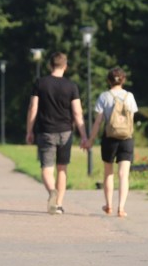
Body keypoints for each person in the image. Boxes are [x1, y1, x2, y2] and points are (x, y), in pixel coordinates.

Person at [25, 52, 88, 214]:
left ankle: (52, 191)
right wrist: (84, 135)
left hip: (46, 131)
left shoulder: (40, 83)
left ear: (49, 65)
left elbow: (33, 108)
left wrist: (29, 131)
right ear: (65, 66)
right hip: (66, 132)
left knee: (46, 168)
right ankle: (58, 205)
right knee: (62, 169)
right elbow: (77, 113)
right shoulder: (71, 86)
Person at [85, 67, 138, 217]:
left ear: (108, 80)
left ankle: (109, 205)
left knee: (108, 173)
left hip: (109, 139)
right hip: (126, 139)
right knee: (123, 175)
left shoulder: (104, 96)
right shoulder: (129, 96)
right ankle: (121, 208)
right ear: (123, 80)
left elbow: (98, 122)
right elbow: (131, 120)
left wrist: (90, 140)